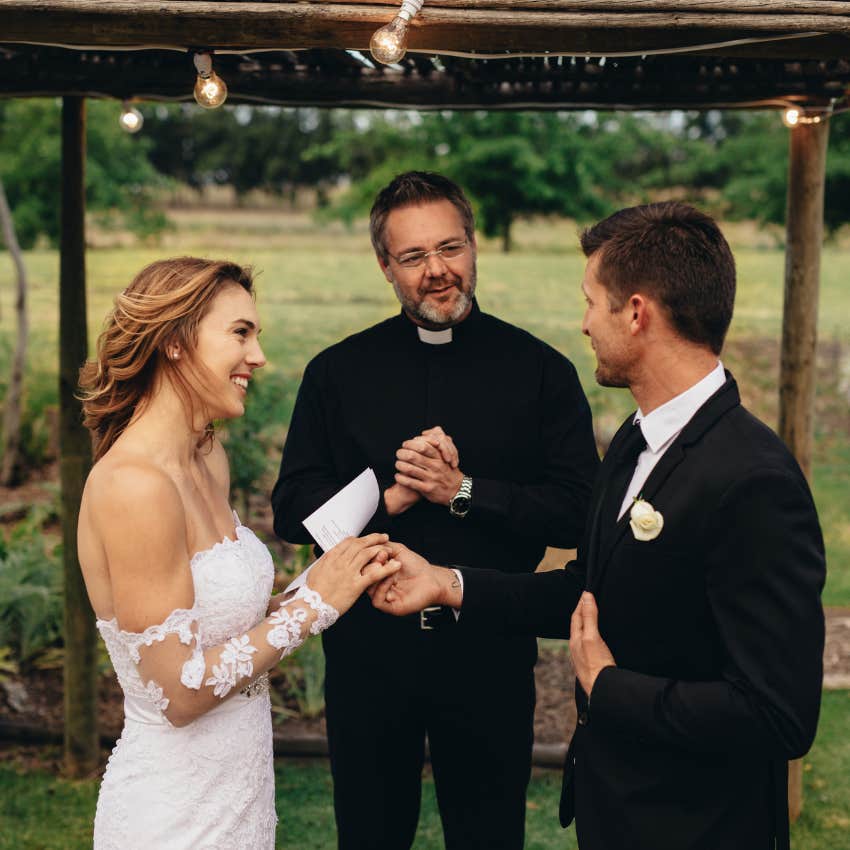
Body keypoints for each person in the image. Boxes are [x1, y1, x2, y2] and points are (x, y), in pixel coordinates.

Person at [370, 202, 826, 850]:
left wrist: (610, 691)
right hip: (616, 813)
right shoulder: (634, 442)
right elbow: (588, 591)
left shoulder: (754, 481)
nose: (583, 323)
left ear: (636, 313)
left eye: (591, 302)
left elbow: (778, 716)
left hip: (700, 828)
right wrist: (446, 583)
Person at [271, 171, 600, 849]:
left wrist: (465, 491)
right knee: (369, 832)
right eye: (414, 257)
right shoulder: (337, 373)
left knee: (488, 835)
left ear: (474, 246)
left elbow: (576, 514)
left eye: (449, 248)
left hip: (489, 646)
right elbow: (291, 510)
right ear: (385, 266)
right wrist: (389, 494)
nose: (437, 272)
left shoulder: (541, 372)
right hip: (366, 653)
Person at [76, 257, 400, 849]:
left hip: (241, 791)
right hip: (173, 813)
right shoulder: (134, 485)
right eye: (240, 333)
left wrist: (320, 583)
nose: (258, 357)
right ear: (175, 342)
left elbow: (220, 628)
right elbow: (179, 691)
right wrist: (313, 611)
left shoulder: (206, 458)